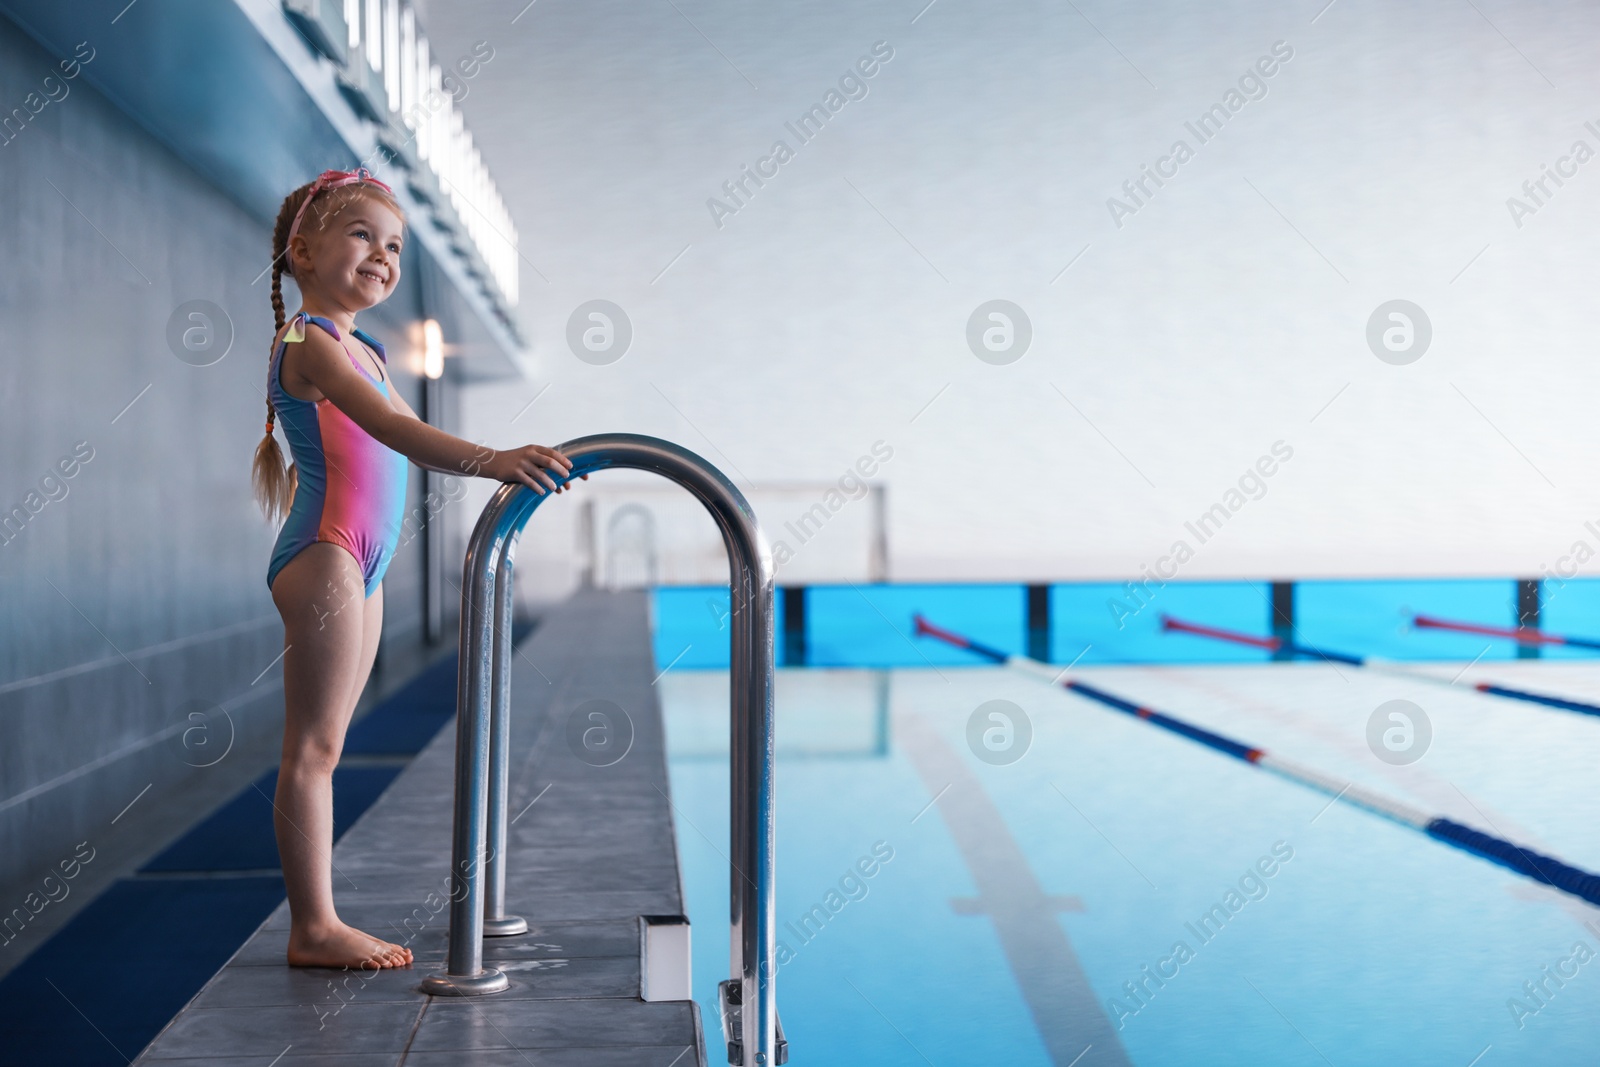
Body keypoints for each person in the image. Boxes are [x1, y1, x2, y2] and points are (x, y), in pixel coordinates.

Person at [250, 167, 577, 969]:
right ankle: (313, 927)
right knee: (313, 749)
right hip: (326, 554)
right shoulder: (309, 343)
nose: (382, 256)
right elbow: (394, 431)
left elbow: (391, 422)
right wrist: (493, 458)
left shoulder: (363, 346)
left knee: (327, 744)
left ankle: (317, 919)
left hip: (361, 563)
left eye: (392, 245)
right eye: (362, 234)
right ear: (305, 249)